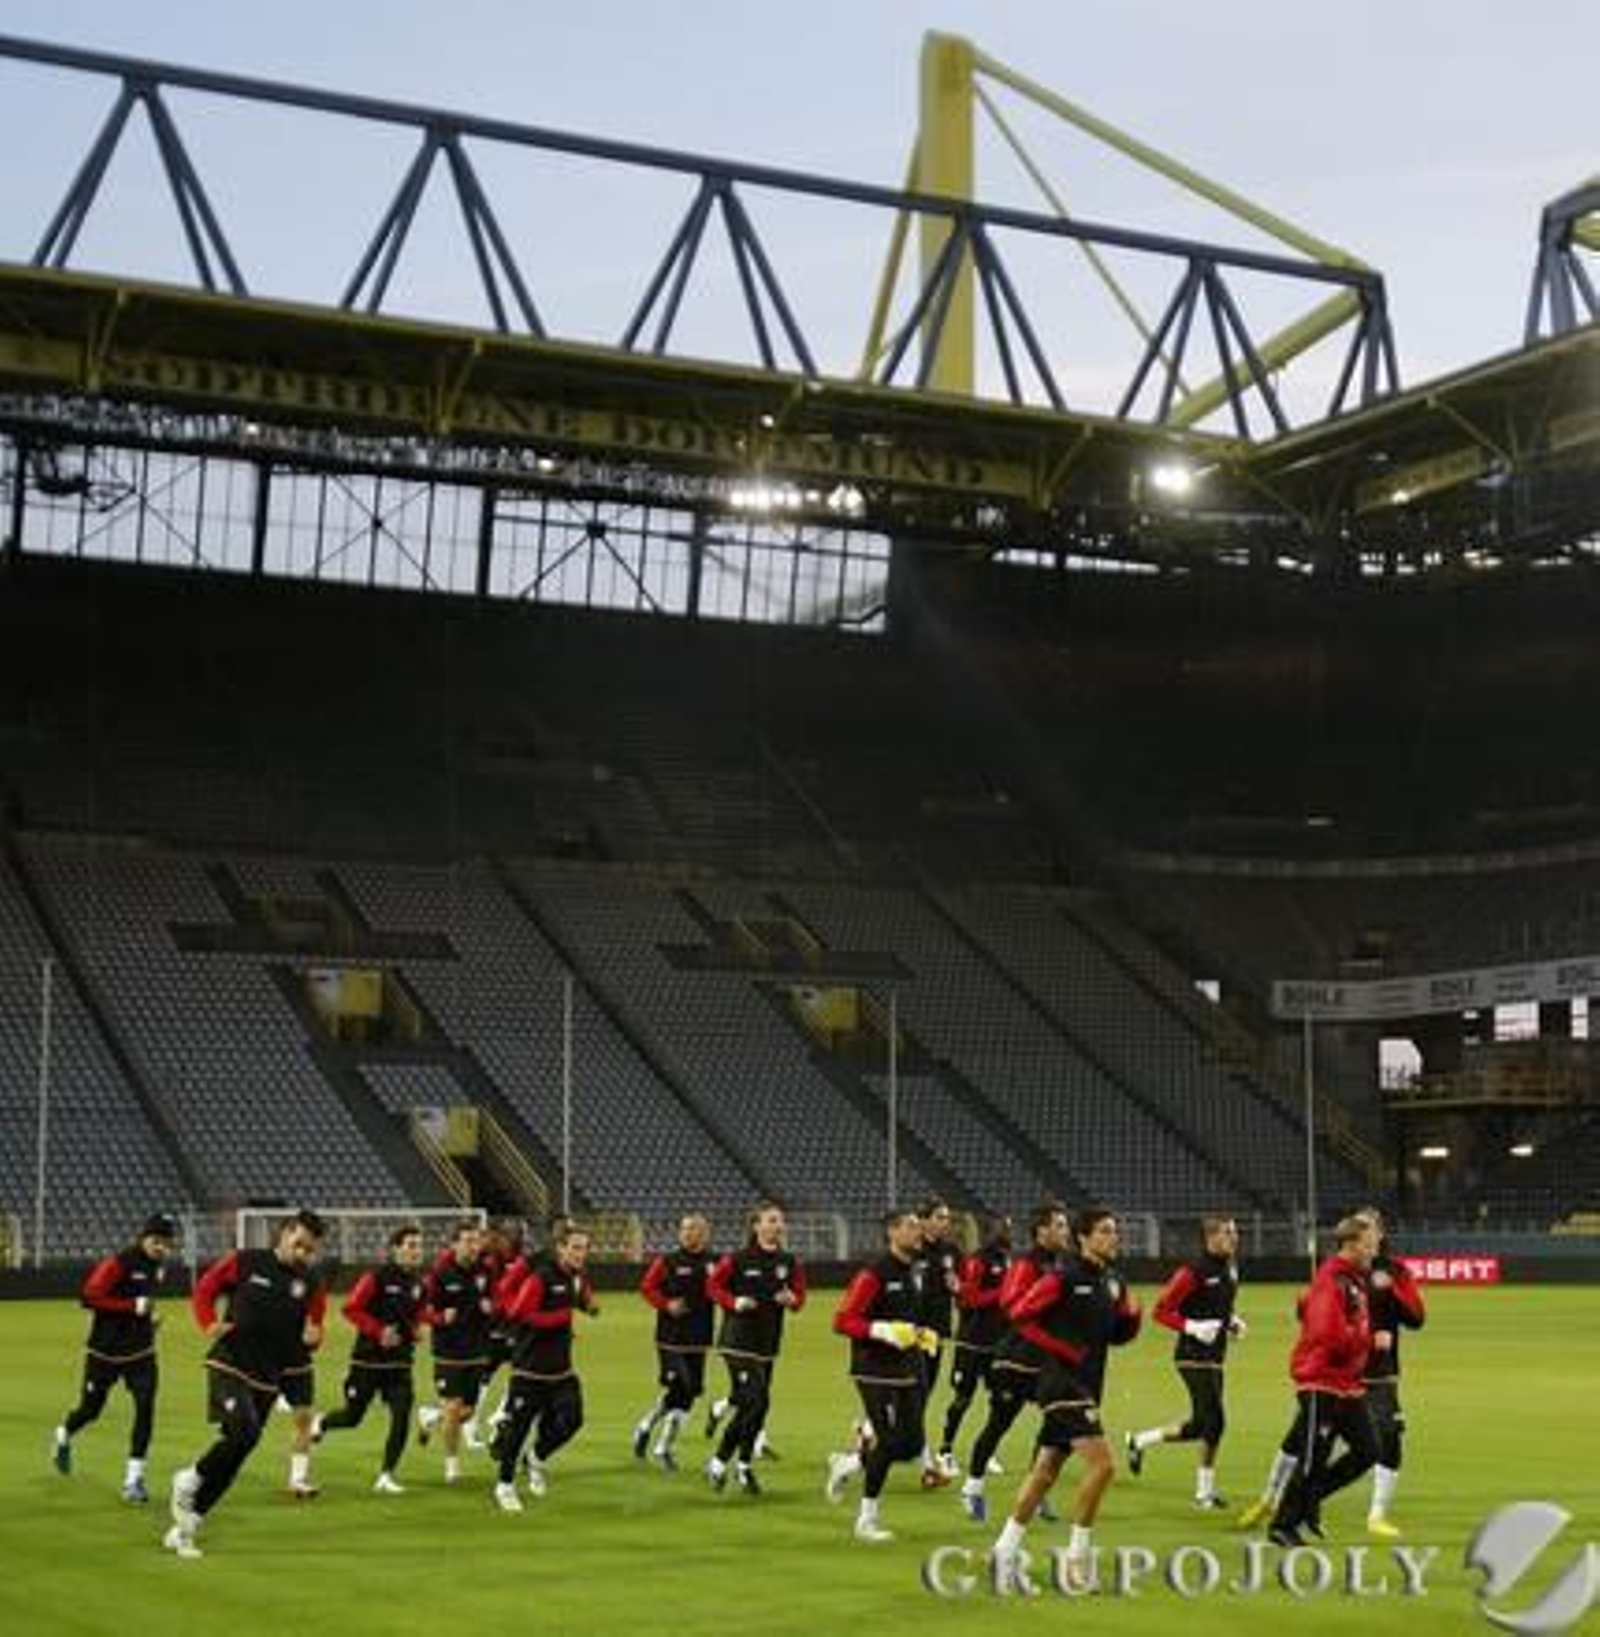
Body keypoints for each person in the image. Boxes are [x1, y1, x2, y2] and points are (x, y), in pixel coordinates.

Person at [988, 1207, 1141, 1595]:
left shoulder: (1113, 1280)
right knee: (1103, 1466)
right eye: (1105, 1231)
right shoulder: (1063, 1277)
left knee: (1044, 1473)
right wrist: (1060, 1348)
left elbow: (1115, 1335)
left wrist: (1133, 1319)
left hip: (1088, 1384)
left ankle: (1004, 1553)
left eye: (1115, 1231)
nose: (1114, 1237)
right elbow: (1018, 1314)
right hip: (1060, 1384)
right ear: (1083, 1238)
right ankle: (1076, 1561)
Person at [163, 1208, 327, 1559]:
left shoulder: (311, 1282)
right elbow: (205, 1289)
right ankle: (189, 1477)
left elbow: (315, 1326)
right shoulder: (245, 1261)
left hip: (269, 1377)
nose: (302, 1253)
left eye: (310, 1249)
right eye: (299, 1244)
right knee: (245, 1431)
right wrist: (208, 1322)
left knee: (240, 1449)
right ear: (284, 1234)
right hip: (230, 1363)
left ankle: (186, 1529)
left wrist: (315, 1336)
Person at [1249, 1214, 1381, 1549]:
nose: (1375, 1249)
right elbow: (1328, 1333)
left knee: (1368, 1450)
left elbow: (1311, 1312)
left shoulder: (1351, 1279)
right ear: (1351, 1244)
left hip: (1346, 1383)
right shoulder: (1333, 1278)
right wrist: (1367, 1341)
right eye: (1369, 1244)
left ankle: (1309, 1500)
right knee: (1312, 1458)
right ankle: (1282, 1526)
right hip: (1322, 1382)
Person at [825, 1207, 935, 1541]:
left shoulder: (913, 1269)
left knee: (912, 1445)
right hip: (875, 1370)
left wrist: (920, 1334)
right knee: (888, 1443)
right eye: (911, 1226)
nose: (919, 1231)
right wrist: (881, 1330)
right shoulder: (873, 1274)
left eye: (918, 1226)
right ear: (892, 1232)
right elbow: (842, 1321)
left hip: (907, 1367)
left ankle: (849, 1464)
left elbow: (906, 1319)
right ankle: (866, 1520)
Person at [53, 1212, 179, 1503]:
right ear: (143, 1237)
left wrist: (149, 1318)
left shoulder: (158, 1266)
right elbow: (88, 1297)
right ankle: (64, 1432)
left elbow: (143, 1303)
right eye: (156, 1241)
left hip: (141, 1353)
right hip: (104, 1353)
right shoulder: (119, 1263)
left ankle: (133, 1480)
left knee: (145, 1408)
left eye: (167, 1243)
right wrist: (132, 1306)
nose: (161, 1247)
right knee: (90, 1411)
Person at [959, 1200, 1071, 1524]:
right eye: (1059, 1225)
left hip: (1047, 1361)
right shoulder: (1025, 1265)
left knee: (1056, 1425)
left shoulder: (1061, 1264)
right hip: (1016, 1360)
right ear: (1042, 1230)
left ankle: (1036, 1490)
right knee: (999, 1423)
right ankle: (972, 1487)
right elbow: (1011, 1308)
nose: (1065, 1231)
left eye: (1065, 1225)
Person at [1125, 1214, 1246, 1508]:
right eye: (1227, 1232)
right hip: (1191, 1356)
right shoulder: (1192, 1272)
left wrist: (1232, 1321)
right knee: (1215, 1422)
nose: (1234, 1237)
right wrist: (1192, 1327)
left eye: (1234, 1232)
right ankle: (1203, 1494)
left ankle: (1139, 1441)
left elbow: (1219, 1306)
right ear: (1210, 1237)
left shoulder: (1230, 1268)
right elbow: (1161, 1311)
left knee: (1200, 1425)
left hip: (1215, 1356)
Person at [313, 1222, 429, 1494]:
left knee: (402, 1416)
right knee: (352, 1417)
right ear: (396, 1249)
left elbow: (416, 1315)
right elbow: (350, 1309)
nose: (416, 1251)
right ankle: (322, 1423)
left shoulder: (419, 1285)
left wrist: (416, 1330)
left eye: (419, 1246)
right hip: (367, 1361)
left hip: (400, 1363)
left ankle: (387, 1475)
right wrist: (378, 1332)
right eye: (411, 1245)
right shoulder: (376, 1277)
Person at [490, 1220, 594, 1511]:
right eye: (575, 1248)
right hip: (529, 1368)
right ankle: (504, 1485)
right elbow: (519, 1314)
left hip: (561, 1369)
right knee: (518, 1429)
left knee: (573, 1420)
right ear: (561, 1248)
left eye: (584, 1248)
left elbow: (576, 1301)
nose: (580, 1253)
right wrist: (557, 1319)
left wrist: (586, 1307)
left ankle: (535, 1457)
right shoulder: (540, 1277)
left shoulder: (575, 1277)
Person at [705, 1201, 805, 1496]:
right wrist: (734, 1302)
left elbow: (800, 1297)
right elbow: (712, 1286)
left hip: (767, 1343)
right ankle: (720, 1462)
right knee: (756, 1402)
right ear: (756, 1225)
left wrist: (792, 1300)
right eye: (771, 1220)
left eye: (780, 1220)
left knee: (757, 1407)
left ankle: (743, 1465)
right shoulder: (737, 1259)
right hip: (737, 1341)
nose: (778, 1225)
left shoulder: (789, 1261)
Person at [1359, 1208, 1426, 1536]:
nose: (1365, 1235)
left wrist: (1391, 1290)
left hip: (1381, 1372)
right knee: (1315, 1438)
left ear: (1381, 1233)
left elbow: (1416, 1318)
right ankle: (1288, 1502)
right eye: (1359, 1228)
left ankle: (1376, 1515)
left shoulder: (1396, 1271)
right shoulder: (1338, 1270)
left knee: (1389, 1437)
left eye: (1369, 1228)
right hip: (1337, 1370)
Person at [633, 1212, 716, 1470]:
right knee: (682, 1385)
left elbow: (725, 1289)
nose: (688, 1233)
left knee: (688, 1394)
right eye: (685, 1228)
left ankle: (657, 1439)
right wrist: (666, 1304)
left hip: (699, 1339)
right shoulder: (667, 1262)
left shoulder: (715, 1262)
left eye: (694, 1228)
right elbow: (646, 1287)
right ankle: (654, 1438)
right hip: (671, 1339)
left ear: (705, 1233)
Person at [422, 1219, 496, 1485]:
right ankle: (452, 1466)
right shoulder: (440, 1273)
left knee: (466, 1413)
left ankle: (431, 1417)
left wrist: (491, 1307)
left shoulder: (486, 1270)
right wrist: (440, 1317)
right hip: (448, 1351)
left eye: (476, 1241)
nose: (473, 1246)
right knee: (454, 1410)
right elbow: (423, 1310)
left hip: (477, 1350)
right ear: (454, 1244)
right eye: (467, 1241)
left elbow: (495, 1299)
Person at [938, 1214, 1012, 1477]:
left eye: (1008, 1228)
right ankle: (945, 1451)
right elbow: (968, 1299)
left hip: (998, 1344)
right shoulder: (977, 1261)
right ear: (991, 1231)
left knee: (1000, 1401)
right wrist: (1001, 1293)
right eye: (1003, 1228)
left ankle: (987, 1452)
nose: (1008, 1233)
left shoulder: (1007, 1259)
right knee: (962, 1399)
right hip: (971, 1343)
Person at [914, 1197, 963, 1485]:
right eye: (939, 1217)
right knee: (915, 1396)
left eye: (947, 1218)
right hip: (912, 1334)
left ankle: (866, 1435)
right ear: (923, 1220)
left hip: (937, 1334)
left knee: (922, 1394)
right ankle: (927, 1466)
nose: (945, 1223)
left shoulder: (951, 1252)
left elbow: (962, 1287)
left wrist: (958, 1287)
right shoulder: (912, 1249)